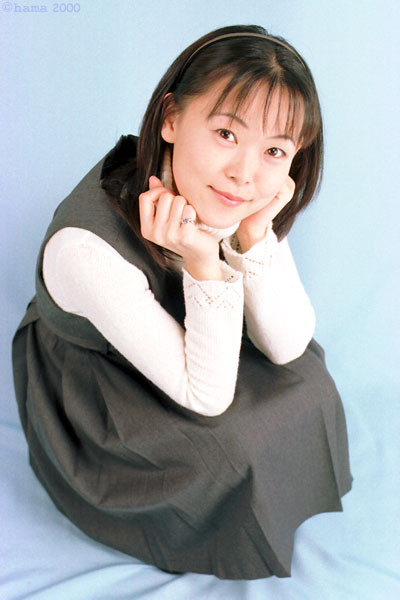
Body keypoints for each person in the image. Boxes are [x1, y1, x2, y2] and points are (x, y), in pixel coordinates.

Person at [12, 24, 353, 580]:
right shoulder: (83, 249)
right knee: (232, 445)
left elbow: (289, 345)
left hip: (186, 326)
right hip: (101, 390)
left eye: (274, 150)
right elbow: (207, 397)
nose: (244, 174)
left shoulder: (242, 194)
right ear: (171, 118)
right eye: (225, 133)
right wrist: (202, 259)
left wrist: (256, 232)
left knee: (309, 380)